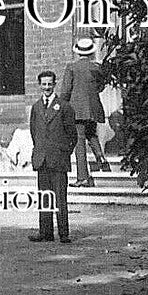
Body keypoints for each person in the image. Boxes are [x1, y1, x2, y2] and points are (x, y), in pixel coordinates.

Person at [28, 71, 77, 243]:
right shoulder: (36, 107)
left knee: (60, 197)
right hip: (42, 159)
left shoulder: (64, 106)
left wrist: (64, 152)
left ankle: (63, 233)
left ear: (55, 84)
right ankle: (45, 232)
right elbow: (34, 132)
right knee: (44, 196)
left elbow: (72, 135)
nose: (47, 87)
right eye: (44, 84)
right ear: (39, 85)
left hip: (58, 159)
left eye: (50, 84)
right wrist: (41, 150)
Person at [59, 37, 110, 187]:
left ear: (78, 52)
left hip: (77, 110)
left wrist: (62, 106)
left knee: (78, 141)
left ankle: (83, 177)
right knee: (91, 133)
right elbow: (101, 86)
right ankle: (101, 159)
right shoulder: (97, 68)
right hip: (93, 108)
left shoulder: (72, 67)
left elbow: (66, 91)